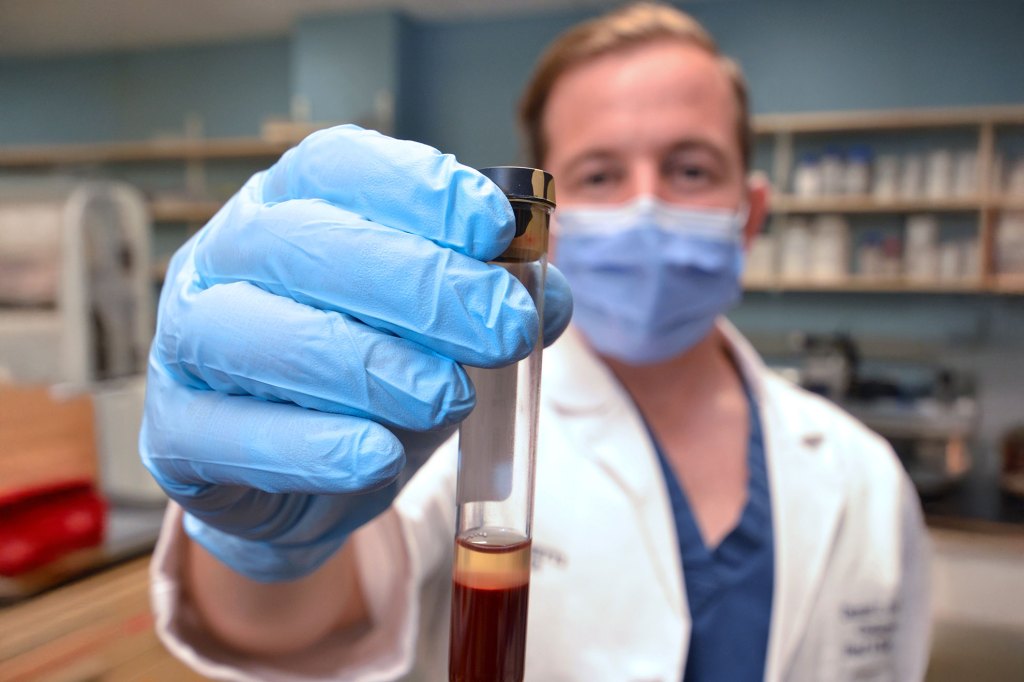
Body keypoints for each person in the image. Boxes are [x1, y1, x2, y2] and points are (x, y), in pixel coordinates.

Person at [142, 3, 931, 680]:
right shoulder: (454, 409)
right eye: (597, 175)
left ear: (750, 213)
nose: (646, 206)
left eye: (690, 169)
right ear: (538, 221)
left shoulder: (866, 474)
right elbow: (291, 626)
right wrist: (257, 542)